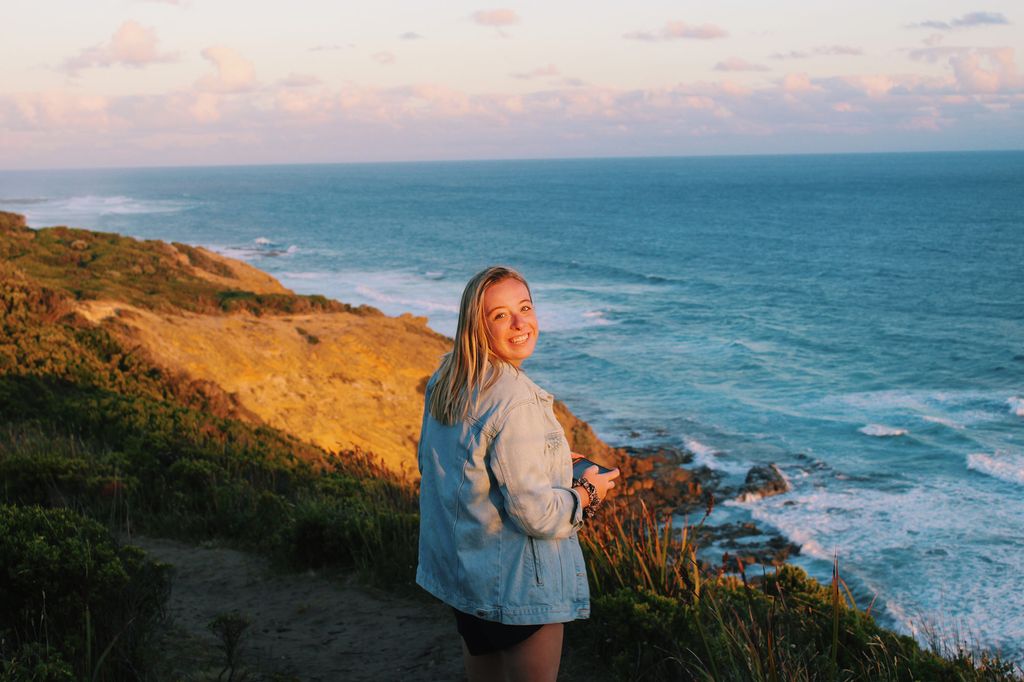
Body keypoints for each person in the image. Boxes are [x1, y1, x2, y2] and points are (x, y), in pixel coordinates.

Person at [416, 265, 620, 682]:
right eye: (500, 315)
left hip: (466, 578)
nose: (520, 323)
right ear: (477, 325)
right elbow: (537, 514)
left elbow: (465, 465)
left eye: (525, 307)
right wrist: (585, 492)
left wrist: (555, 458)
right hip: (518, 583)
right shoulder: (516, 401)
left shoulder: (449, 378)